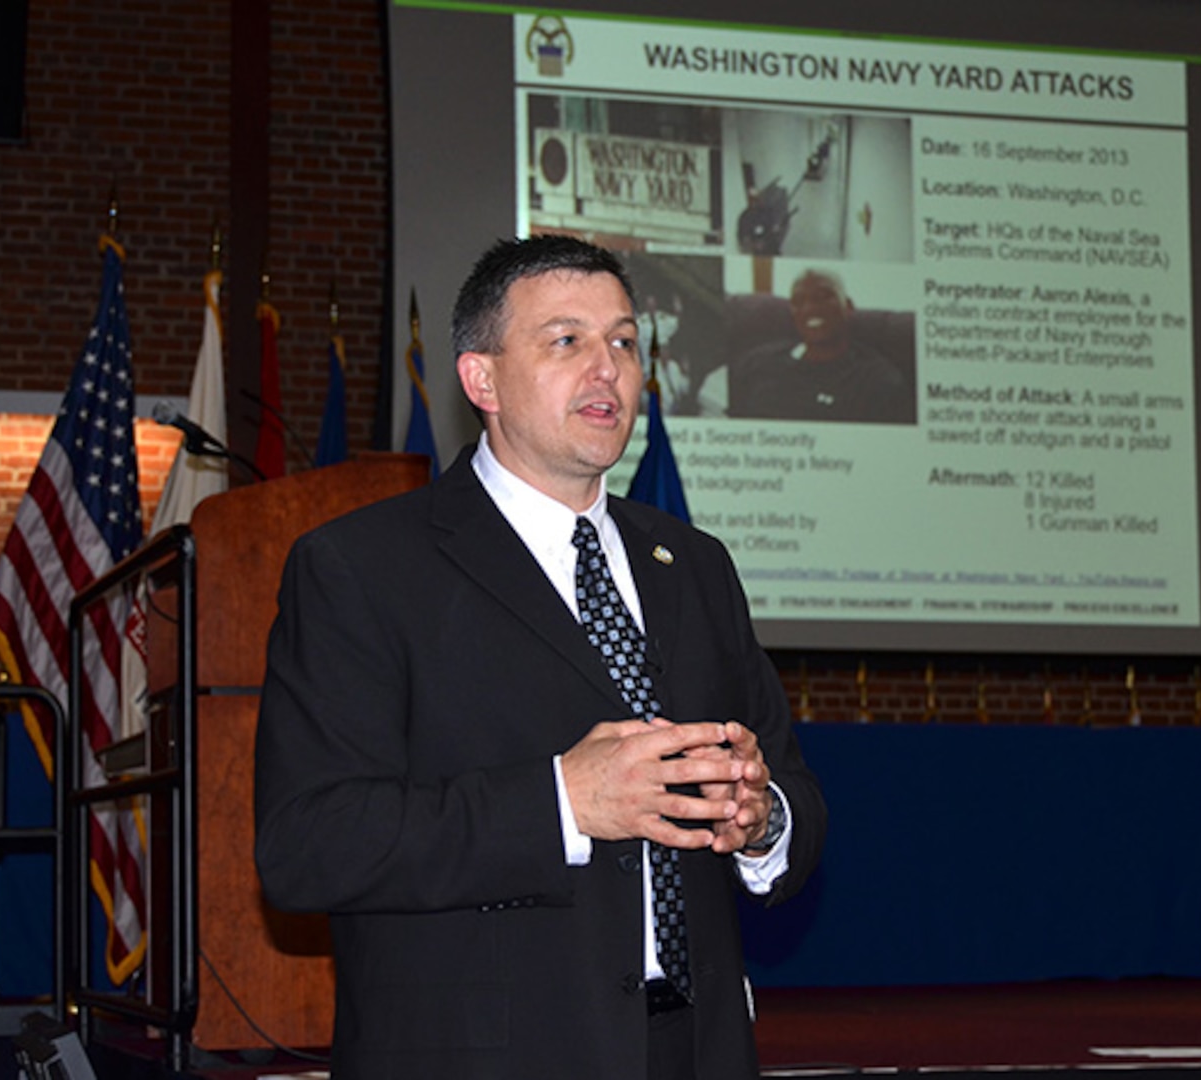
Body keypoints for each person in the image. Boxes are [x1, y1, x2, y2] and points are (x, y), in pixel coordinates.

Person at [253, 235, 827, 1080]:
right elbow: (310, 846)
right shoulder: (362, 568)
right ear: (481, 379)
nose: (608, 370)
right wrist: (562, 801)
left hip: (697, 1050)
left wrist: (760, 821)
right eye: (568, 341)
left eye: (624, 343)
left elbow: (795, 793)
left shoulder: (694, 564)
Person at [728, 268, 914, 423]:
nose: (810, 309)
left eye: (823, 297)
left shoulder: (877, 380)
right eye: (799, 301)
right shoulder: (756, 362)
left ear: (848, 307)